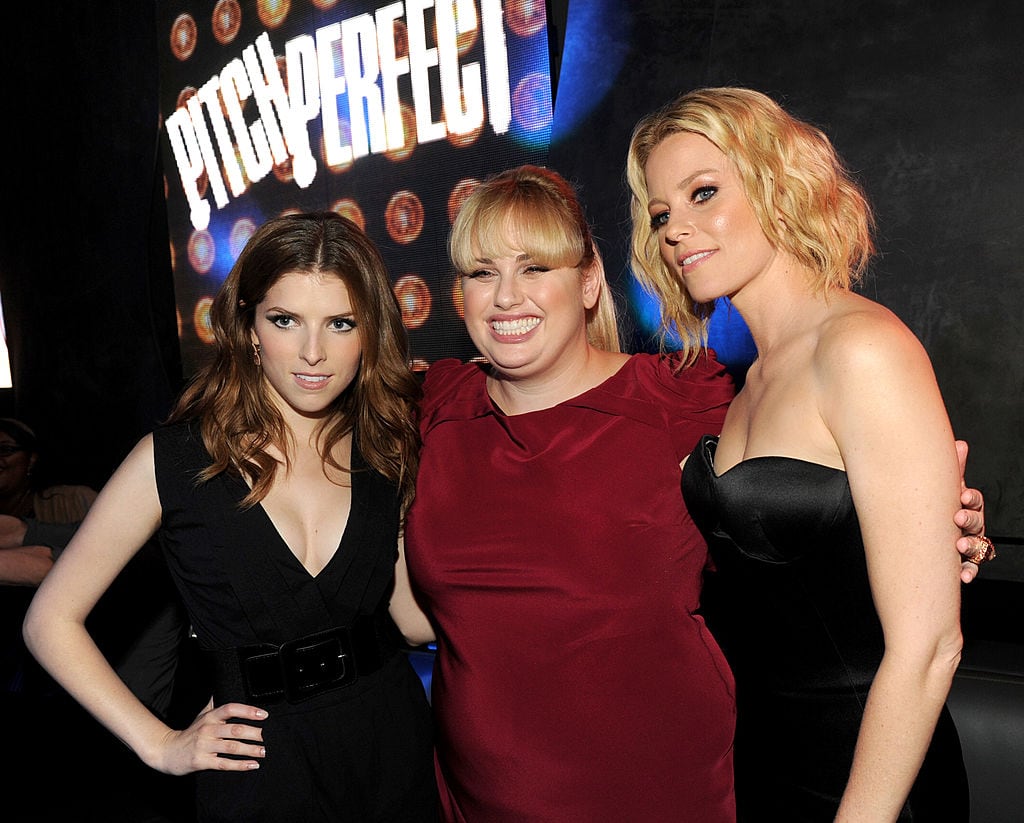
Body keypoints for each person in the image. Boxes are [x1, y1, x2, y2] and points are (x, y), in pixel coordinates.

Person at [628, 86, 983, 821]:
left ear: (776, 184)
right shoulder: (749, 381)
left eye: (703, 193)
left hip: (874, 777)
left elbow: (929, 646)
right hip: (766, 762)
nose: (676, 230)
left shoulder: (862, 349)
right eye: (661, 214)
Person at [24, 211, 438, 822]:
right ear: (249, 328)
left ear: (369, 332)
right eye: (285, 320)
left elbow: (408, 619)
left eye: (341, 323)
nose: (314, 352)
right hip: (255, 766)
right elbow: (49, 621)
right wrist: (159, 743)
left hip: (390, 741)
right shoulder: (172, 461)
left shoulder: (386, 450)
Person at [404, 164, 738, 822]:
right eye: (482, 272)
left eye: (534, 268)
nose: (505, 297)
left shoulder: (679, 402)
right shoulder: (436, 409)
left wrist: (929, 496)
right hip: (477, 802)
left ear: (587, 283)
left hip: (654, 797)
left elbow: (810, 488)